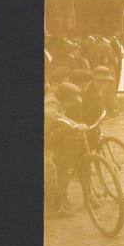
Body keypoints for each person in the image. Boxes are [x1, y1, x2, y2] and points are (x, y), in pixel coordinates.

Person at [45, 82, 87, 218]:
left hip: (48, 140)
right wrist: (74, 124)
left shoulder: (58, 102)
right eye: (72, 100)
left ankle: (57, 204)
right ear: (65, 98)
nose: (74, 103)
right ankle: (51, 210)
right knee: (50, 170)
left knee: (57, 167)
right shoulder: (51, 104)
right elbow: (52, 115)